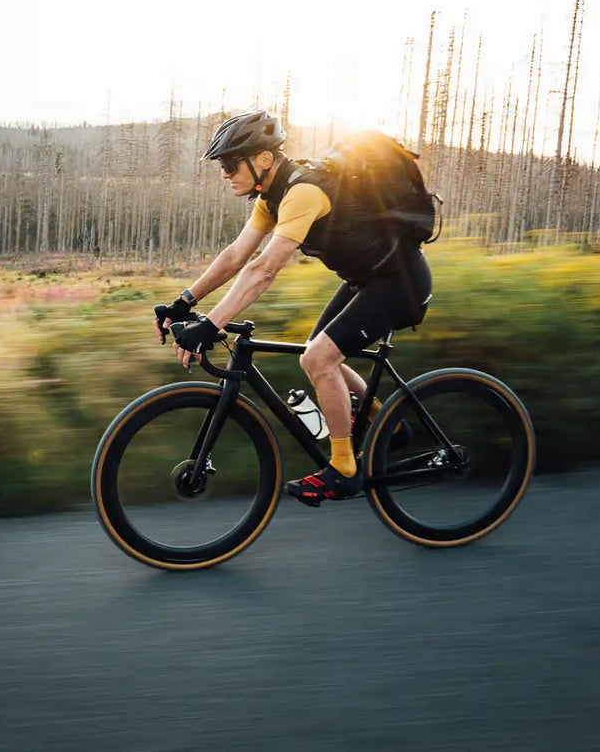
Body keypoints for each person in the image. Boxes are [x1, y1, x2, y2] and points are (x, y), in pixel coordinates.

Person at [154, 110, 433, 504]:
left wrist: (211, 324)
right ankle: (389, 424)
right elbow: (236, 256)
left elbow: (264, 269)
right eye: (222, 166)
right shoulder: (272, 197)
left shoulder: (303, 192)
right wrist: (184, 303)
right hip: (367, 281)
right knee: (315, 356)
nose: (225, 173)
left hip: (400, 284)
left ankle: (343, 470)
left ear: (263, 160)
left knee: (320, 358)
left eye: (231, 164)